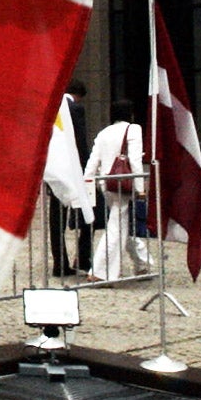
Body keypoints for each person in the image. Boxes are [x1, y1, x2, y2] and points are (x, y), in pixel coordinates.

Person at [84, 101, 147, 281]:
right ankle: (99, 271)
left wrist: (87, 183)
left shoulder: (104, 132)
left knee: (120, 224)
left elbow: (92, 161)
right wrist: (140, 188)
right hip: (124, 183)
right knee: (116, 227)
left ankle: (143, 263)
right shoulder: (134, 129)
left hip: (107, 183)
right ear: (131, 114)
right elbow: (134, 160)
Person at [48, 81, 94, 275]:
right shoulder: (74, 109)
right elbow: (80, 142)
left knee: (56, 220)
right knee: (88, 214)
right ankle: (83, 259)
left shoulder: (50, 107)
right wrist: (85, 171)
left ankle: (60, 263)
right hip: (72, 170)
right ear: (78, 95)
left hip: (53, 170)